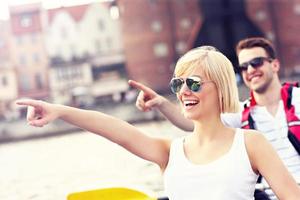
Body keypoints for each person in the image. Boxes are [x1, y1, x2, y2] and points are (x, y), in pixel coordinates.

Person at [17, 46, 300, 200]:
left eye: (194, 83)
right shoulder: (170, 152)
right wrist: (58, 110)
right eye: (178, 83)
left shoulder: (250, 142)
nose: (183, 91)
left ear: (222, 88)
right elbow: (116, 130)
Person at [129, 37, 300, 199]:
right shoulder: (241, 112)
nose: (250, 70)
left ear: (275, 65)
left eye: (256, 62)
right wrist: (161, 103)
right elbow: (195, 122)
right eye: (243, 66)